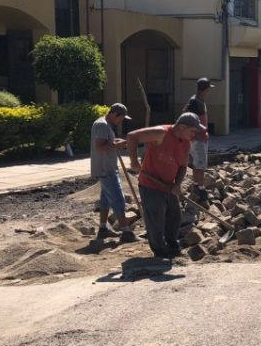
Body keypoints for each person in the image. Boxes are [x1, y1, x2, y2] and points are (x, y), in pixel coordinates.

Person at [127, 112, 204, 258]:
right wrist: (134, 162)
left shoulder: (185, 142)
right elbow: (132, 137)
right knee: (156, 219)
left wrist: (177, 184)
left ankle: (172, 245)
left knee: (175, 218)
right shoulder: (161, 133)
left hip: (169, 186)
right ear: (182, 127)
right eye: (192, 131)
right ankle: (159, 251)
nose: (194, 135)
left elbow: (183, 166)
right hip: (151, 185)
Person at [90, 103, 138, 242]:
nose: (121, 121)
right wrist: (119, 145)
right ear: (114, 114)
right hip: (106, 168)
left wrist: (117, 141)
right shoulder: (102, 125)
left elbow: (106, 142)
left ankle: (103, 228)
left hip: (107, 166)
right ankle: (126, 232)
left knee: (105, 200)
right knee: (118, 199)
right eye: (121, 118)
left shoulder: (104, 124)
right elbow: (100, 146)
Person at [183, 77, 213, 201]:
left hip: (200, 138)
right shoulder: (195, 102)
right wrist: (198, 132)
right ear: (203, 90)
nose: (209, 92)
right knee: (199, 164)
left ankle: (197, 186)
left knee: (198, 163)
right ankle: (200, 189)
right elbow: (187, 117)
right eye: (208, 89)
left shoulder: (199, 100)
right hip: (197, 139)